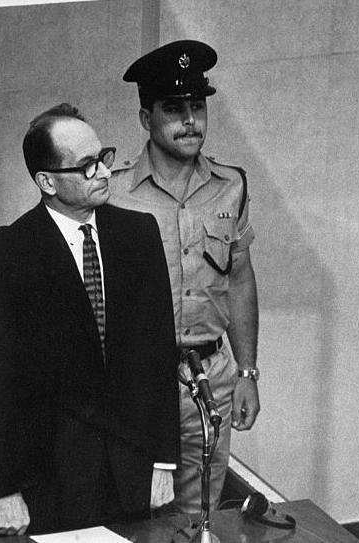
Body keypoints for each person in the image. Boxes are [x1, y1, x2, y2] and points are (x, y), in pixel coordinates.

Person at [0, 103, 180, 536]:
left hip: (133, 468)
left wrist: (164, 461)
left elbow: (159, 354)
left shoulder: (139, 235)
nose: (104, 173)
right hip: (50, 476)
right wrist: (3, 488)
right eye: (86, 167)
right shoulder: (8, 252)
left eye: (102, 158)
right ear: (47, 181)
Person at [110, 39, 261, 514]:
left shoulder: (229, 186)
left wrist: (247, 372)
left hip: (209, 376)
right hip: (138, 382)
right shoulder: (113, 193)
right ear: (145, 119)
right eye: (174, 109)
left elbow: (239, 280)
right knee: (137, 514)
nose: (190, 120)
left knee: (200, 516)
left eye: (197, 106)